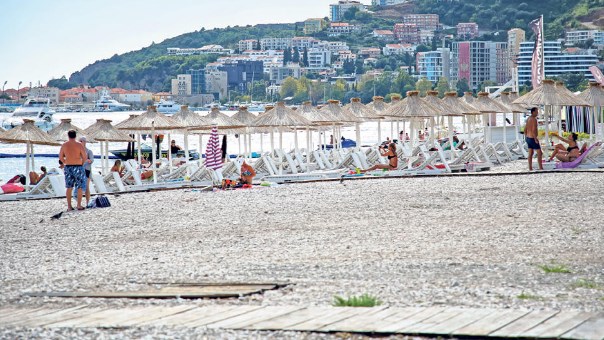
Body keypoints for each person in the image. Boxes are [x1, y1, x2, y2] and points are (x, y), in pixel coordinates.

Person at [59, 130, 88, 211]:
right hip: (78, 166)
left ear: (68, 136)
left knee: (69, 187)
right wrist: (81, 163)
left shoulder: (64, 145)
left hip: (68, 166)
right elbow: (85, 157)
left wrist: (65, 162)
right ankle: (79, 205)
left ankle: (69, 206)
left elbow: (60, 157)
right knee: (79, 187)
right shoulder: (79, 145)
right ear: (75, 136)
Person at [80, 137, 94, 205]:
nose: (80, 142)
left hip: (87, 170)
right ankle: (79, 203)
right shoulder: (78, 151)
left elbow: (91, 160)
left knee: (86, 187)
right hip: (79, 170)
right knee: (79, 187)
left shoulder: (89, 151)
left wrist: (86, 160)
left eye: (81, 141)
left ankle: (88, 202)